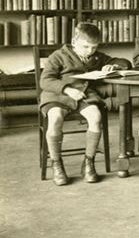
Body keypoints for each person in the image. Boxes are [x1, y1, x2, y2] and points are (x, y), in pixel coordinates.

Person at [40, 22, 132, 186]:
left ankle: (88, 162)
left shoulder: (96, 56)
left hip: (84, 95)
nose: (90, 51)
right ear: (74, 41)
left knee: (95, 116)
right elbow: (45, 80)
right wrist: (67, 89)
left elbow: (125, 62)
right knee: (55, 118)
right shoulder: (58, 55)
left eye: (94, 47)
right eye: (85, 47)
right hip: (57, 94)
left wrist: (114, 65)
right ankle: (57, 164)